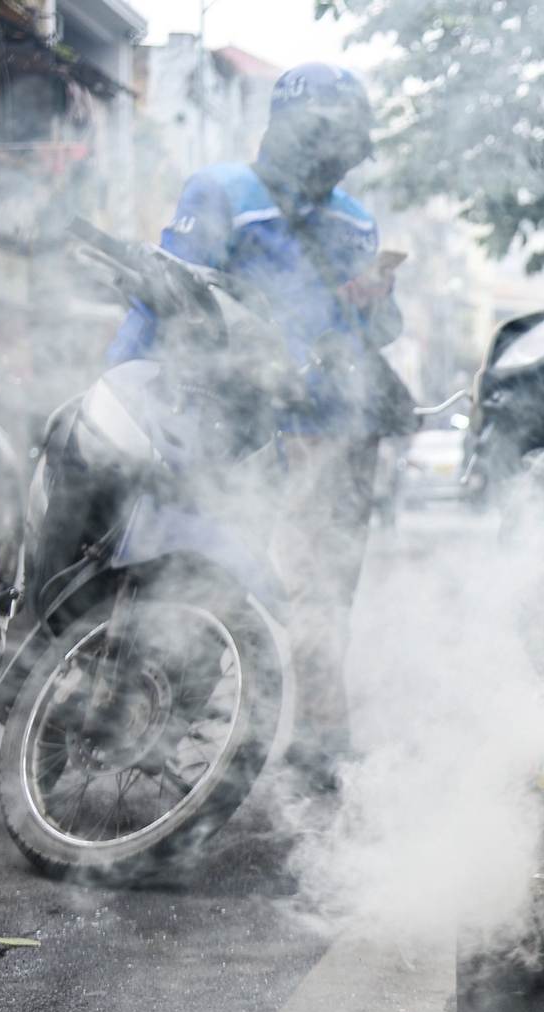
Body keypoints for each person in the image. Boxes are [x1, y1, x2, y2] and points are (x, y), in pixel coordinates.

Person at [110, 63, 402, 787]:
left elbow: (368, 330)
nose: (337, 156)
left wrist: (375, 303)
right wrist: (122, 382)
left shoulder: (357, 219)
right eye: (326, 138)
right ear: (287, 130)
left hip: (337, 427)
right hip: (237, 425)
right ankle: (157, 725)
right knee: (205, 572)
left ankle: (321, 742)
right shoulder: (223, 192)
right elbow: (167, 297)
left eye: (348, 144)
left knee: (325, 589)